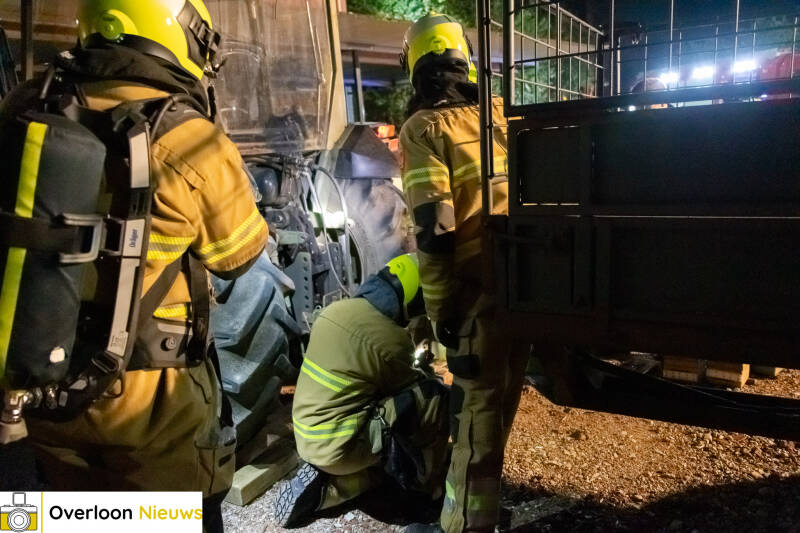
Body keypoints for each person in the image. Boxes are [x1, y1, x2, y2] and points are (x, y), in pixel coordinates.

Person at [0, 1, 268, 530]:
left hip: (38, 391)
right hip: (151, 410)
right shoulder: (188, 136)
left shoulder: (23, 106)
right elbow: (240, 255)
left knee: (72, 515)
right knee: (167, 519)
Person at [398, 14, 529, 533]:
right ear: (465, 60)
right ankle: (484, 513)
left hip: (479, 292)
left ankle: (464, 526)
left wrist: (440, 311)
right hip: (528, 279)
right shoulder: (499, 112)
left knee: (476, 418)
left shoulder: (423, 130)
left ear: (415, 66)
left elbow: (436, 230)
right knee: (500, 403)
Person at [275, 254, 450, 528]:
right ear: (410, 302)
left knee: (380, 408)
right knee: (433, 399)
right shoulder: (389, 338)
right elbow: (411, 389)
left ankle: (325, 484)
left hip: (306, 434)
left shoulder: (335, 310)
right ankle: (423, 490)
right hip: (339, 447)